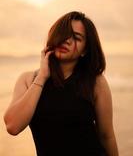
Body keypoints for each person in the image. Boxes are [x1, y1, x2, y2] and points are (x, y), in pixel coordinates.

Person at [3, 11, 119, 156]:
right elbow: (13, 126)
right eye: (64, 33)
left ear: (85, 51)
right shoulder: (28, 79)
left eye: (76, 38)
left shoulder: (96, 82)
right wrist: (42, 77)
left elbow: (106, 135)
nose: (68, 40)